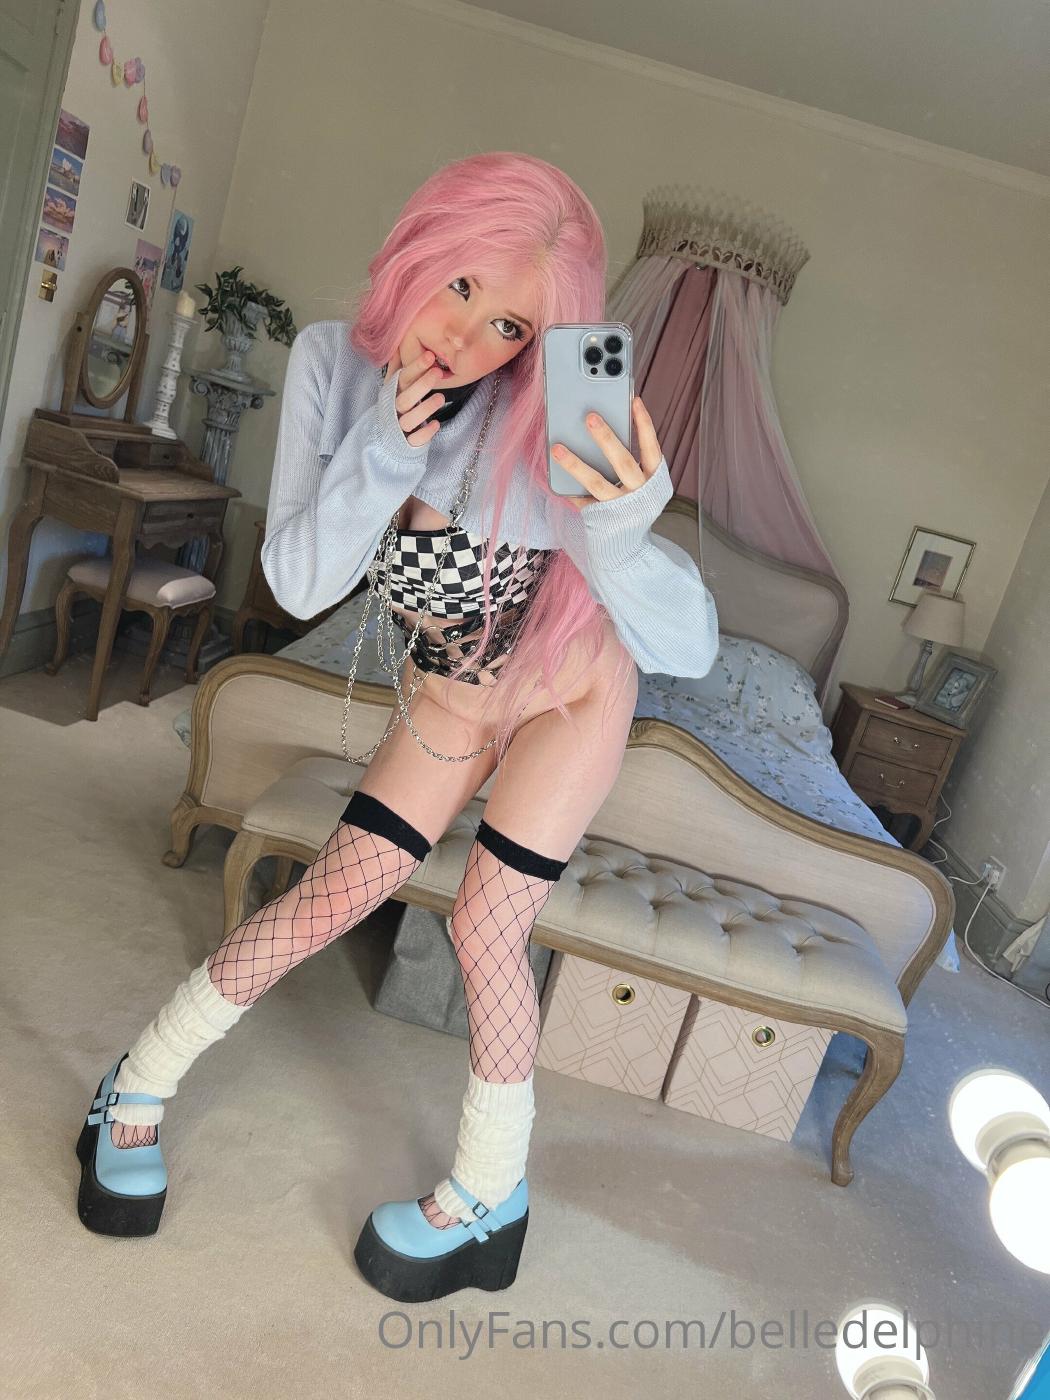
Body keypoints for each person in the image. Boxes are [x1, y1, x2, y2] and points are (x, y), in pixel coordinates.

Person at [75, 151, 719, 1302]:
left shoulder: (558, 404)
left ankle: (490, 1194)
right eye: (461, 286)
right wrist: (387, 450)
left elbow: (692, 648)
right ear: (422, 247)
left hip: (571, 691)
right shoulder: (334, 364)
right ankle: (136, 1081)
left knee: (488, 923)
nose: (471, 338)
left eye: (514, 323)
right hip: (451, 694)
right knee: (328, 896)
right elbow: (296, 579)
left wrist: (625, 531)